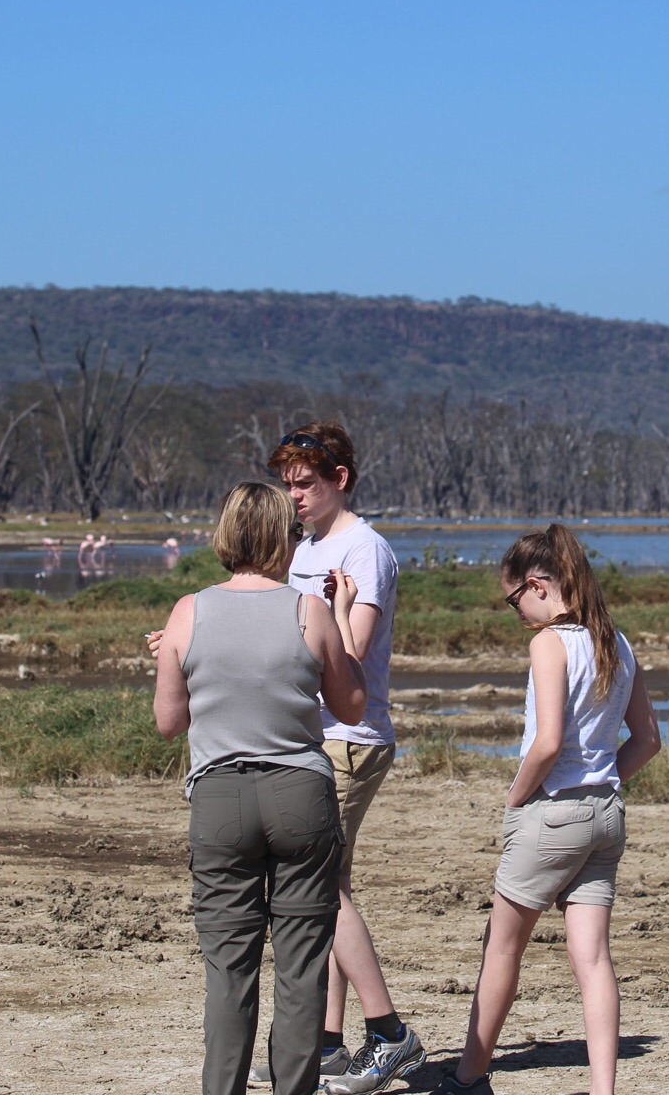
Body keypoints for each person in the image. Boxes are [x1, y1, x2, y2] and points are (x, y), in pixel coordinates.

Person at [152, 481, 369, 1095]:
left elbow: (170, 723)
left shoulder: (187, 611)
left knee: (229, 970)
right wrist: (345, 624)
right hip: (300, 792)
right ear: (283, 538)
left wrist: (173, 662)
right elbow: (351, 705)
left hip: (219, 796)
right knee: (301, 970)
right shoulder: (309, 610)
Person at [430, 524, 662, 1095]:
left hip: (553, 813)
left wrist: (516, 799)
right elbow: (648, 740)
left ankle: (469, 1075)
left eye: (514, 601)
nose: (517, 614)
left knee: (501, 946)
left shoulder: (549, 644)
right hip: (607, 814)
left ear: (537, 585)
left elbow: (548, 742)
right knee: (593, 959)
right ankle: (602, 1088)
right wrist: (602, 782)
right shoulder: (617, 641)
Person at [263, 423, 424, 1095]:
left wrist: (329, 614)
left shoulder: (365, 550)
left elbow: (345, 669)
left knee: (318, 887)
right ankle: (327, 1044)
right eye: (288, 484)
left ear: (340, 480)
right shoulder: (305, 546)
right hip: (305, 735)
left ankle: (390, 1035)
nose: (294, 496)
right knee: (331, 887)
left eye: (307, 484)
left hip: (345, 741)